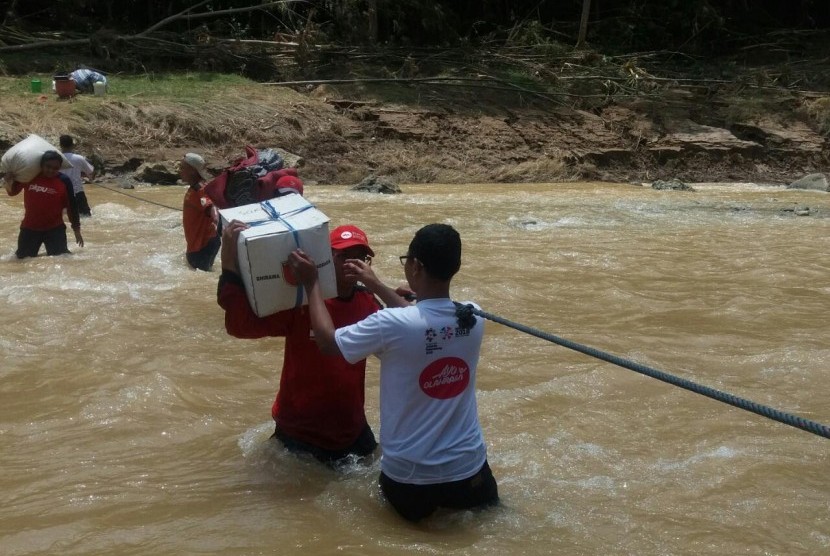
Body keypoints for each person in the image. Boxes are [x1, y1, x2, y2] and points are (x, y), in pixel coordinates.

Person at [288, 223, 498, 522]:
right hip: (469, 472)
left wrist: (311, 283)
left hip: (410, 481)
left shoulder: (390, 324)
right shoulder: (473, 316)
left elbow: (326, 342)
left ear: (415, 266)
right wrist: (377, 286)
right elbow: (424, 320)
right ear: (456, 266)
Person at [217, 222, 410, 465]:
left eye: (361, 257)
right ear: (326, 260)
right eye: (344, 256)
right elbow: (239, 325)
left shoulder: (368, 301)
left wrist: (396, 295)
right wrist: (228, 259)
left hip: (351, 429)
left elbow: (410, 337)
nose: (353, 264)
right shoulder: (301, 302)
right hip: (300, 432)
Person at [4, 150, 84, 258]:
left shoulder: (64, 181)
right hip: (30, 228)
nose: (51, 170)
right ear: (41, 165)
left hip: (55, 229)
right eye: (48, 166)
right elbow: (12, 192)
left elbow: (72, 206)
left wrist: (76, 230)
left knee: (61, 261)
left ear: (60, 168)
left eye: (55, 168)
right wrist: (8, 181)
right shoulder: (29, 176)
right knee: (21, 262)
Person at [181, 152, 220, 271]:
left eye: (183, 168)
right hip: (199, 244)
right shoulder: (194, 187)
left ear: (193, 170)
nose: (179, 171)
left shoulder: (200, 189)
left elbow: (211, 206)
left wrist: (216, 219)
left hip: (202, 245)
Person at [59, 135, 96, 217]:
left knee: (61, 216)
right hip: (77, 192)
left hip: (60, 193)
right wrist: (89, 177)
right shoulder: (79, 158)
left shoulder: (57, 158)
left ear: (60, 145)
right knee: (86, 217)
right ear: (72, 145)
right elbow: (91, 171)